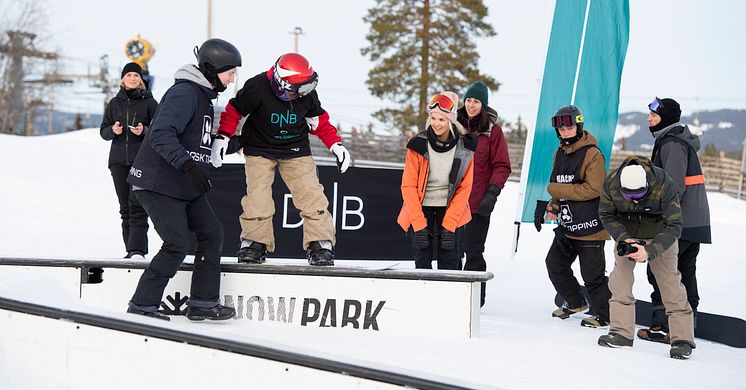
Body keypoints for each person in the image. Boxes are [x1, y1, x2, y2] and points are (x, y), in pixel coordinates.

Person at [125, 38, 241, 321]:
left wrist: (239, 141)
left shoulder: (202, 97)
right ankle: (142, 305)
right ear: (213, 69)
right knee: (177, 243)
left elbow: (198, 141)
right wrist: (189, 166)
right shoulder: (185, 94)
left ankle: (202, 302)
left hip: (182, 184)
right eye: (231, 72)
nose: (233, 77)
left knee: (211, 233)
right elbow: (161, 134)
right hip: (158, 182)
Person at [212, 53, 351, 266]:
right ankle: (254, 243)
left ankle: (320, 243)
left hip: (296, 149)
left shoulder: (307, 94)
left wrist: (336, 145)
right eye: (299, 89)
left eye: (307, 88)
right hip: (259, 148)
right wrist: (223, 137)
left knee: (312, 195)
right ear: (281, 83)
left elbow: (319, 121)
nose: (303, 94)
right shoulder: (257, 87)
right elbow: (233, 111)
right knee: (258, 197)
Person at [597, 156, 695, 360]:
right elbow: (606, 215)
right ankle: (621, 333)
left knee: (670, 285)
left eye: (640, 195)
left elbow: (675, 225)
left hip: (661, 235)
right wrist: (624, 238)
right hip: (628, 235)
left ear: (647, 185)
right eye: (628, 196)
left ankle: (682, 339)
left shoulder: (664, 183)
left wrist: (650, 251)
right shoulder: (611, 183)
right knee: (619, 283)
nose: (634, 200)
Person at [637, 97, 711, 343]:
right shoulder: (676, 140)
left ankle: (667, 326)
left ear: (666, 118)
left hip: (681, 221)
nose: (649, 118)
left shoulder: (671, 143)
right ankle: (682, 325)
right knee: (683, 272)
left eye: (654, 115)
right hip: (694, 219)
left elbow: (673, 187)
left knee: (661, 271)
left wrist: (649, 210)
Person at [535, 105, 612, 328]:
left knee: (593, 276)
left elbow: (593, 189)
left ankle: (606, 314)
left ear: (578, 126)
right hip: (568, 225)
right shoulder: (558, 153)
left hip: (591, 227)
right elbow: (560, 185)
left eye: (569, 127)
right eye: (561, 128)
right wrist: (553, 205)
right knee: (555, 264)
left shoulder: (592, 154)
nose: (565, 131)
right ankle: (576, 302)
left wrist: (555, 191)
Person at [397, 91, 476, 270]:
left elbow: (465, 187)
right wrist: (418, 224)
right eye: (433, 118)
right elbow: (408, 185)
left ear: (450, 121)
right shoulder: (417, 145)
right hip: (421, 207)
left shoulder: (465, 148)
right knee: (422, 262)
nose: (436, 124)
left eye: (441, 119)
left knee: (450, 262)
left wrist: (449, 225)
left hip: (451, 208)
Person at [456, 81, 511, 307]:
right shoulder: (455, 125)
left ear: (483, 105)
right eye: (468, 100)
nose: (471, 104)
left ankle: (474, 300)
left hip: (479, 203)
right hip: (454, 201)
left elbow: (502, 166)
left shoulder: (493, 132)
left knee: (473, 250)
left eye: (476, 101)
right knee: (451, 250)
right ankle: (454, 294)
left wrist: (492, 192)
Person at [99, 62, 158, 259]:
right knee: (125, 208)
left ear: (141, 79)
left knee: (137, 206)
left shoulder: (150, 103)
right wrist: (112, 131)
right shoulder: (114, 103)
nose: (132, 78)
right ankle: (130, 252)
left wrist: (144, 131)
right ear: (123, 79)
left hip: (141, 161)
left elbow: (159, 131)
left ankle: (138, 251)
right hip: (117, 162)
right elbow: (103, 131)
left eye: (136, 75)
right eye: (129, 75)